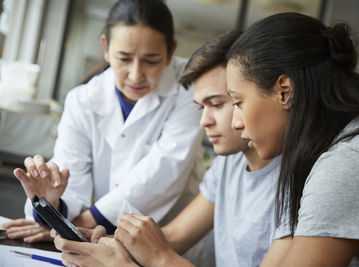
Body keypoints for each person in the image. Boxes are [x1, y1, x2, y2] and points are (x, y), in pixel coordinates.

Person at [52, 30, 290, 267]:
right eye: (201, 108)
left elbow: (162, 250)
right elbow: (175, 236)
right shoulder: (229, 163)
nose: (204, 121)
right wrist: (102, 245)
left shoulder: (297, 179)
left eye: (218, 104)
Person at [4, 0, 204, 242]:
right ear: (106, 47)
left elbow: (164, 170)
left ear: (171, 51)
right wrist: (52, 203)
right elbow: (72, 177)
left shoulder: (190, 86)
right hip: (105, 237)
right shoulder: (82, 100)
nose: (136, 74)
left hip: (175, 235)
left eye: (151, 60)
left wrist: (69, 227)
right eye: (124, 58)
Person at [225, 12, 359, 266]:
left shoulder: (350, 161)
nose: (235, 122)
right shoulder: (331, 152)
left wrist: (161, 259)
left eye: (238, 102)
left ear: (285, 92)